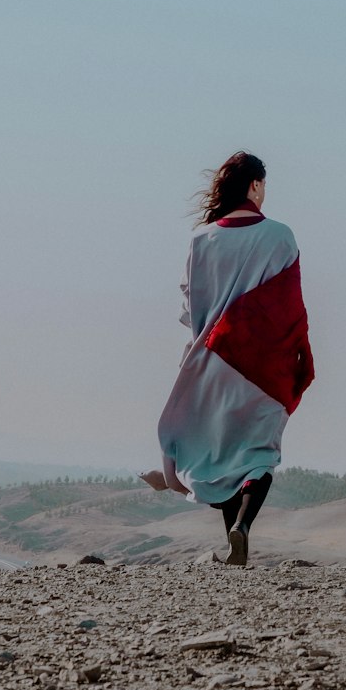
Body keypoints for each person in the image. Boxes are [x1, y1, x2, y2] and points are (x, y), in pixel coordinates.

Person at [141, 151, 314, 566]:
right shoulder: (279, 236)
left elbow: (191, 305)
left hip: (210, 357)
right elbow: (288, 304)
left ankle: (234, 546)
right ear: (255, 185)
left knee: (218, 453)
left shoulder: (201, 239)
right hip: (260, 366)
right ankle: (242, 527)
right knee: (258, 453)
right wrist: (295, 352)